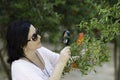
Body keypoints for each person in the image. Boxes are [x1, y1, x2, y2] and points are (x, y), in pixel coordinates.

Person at [6, 20, 71, 80]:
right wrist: (61, 63)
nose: (39, 37)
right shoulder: (19, 68)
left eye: (37, 33)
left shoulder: (39, 51)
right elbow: (61, 61)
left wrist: (79, 56)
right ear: (22, 45)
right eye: (34, 37)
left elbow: (66, 61)